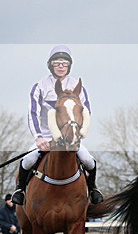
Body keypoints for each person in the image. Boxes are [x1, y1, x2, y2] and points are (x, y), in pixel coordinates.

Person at [12, 45, 103, 206]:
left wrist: (78, 134)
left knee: (88, 160)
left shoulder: (78, 86)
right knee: (27, 160)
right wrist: (38, 138)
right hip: (47, 136)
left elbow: (86, 113)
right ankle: (20, 190)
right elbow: (33, 113)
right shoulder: (40, 86)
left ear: (69, 65)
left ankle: (93, 188)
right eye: (57, 62)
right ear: (51, 65)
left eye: (64, 63)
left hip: (71, 137)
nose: (60, 66)